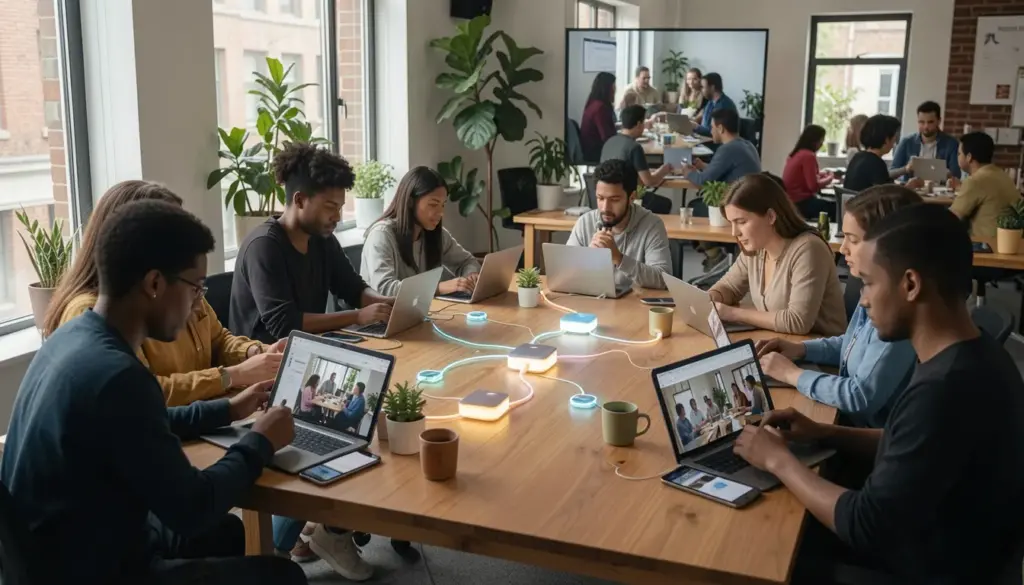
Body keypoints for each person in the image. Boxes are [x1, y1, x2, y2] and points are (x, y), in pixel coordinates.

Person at [0, 199, 305, 585]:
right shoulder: (119, 376)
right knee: (284, 576)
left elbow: (142, 423)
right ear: (155, 284)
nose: (198, 303)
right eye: (195, 288)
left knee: (227, 532)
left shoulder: (71, 338)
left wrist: (229, 410)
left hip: (56, 553)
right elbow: (194, 507)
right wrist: (261, 441)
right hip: (95, 572)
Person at [733, 203, 1024, 584]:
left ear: (911, 285)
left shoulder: (943, 390)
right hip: (952, 546)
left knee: (757, 547)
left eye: (869, 284)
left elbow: (865, 524)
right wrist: (826, 432)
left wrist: (779, 461)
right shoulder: (976, 353)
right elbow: (911, 442)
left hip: (925, 568)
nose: (864, 299)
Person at [45, 180, 286, 407]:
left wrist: (256, 353)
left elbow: (218, 340)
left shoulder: (183, 287)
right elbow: (144, 393)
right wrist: (231, 376)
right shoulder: (102, 314)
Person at [755, 185, 920, 428]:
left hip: (865, 436)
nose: (842, 249)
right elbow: (852, 344)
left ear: (887, 245)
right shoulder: (873, 289)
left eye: (852, 239)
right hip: (847, 422)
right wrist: (801, 349)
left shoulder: (896, 311)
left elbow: (860, 397)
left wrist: (792, 374)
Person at [230, 142, 394, 344]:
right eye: (330, 207)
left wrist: (386, 304)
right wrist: (357, 316)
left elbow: (353, 288)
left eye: (340, 207)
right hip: (266, 356)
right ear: (299, 200)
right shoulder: (263, 246)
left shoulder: (322, 239)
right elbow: (283, 324)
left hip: (307, 348)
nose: (337, 216)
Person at [709, 174, 847, 336]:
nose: (734, 232)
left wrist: (732, 314)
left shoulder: (808, 249)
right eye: (731, 223)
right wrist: (710, 299)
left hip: (818, 347)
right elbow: (729, 287)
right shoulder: (757, 247)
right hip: (779, 341)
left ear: (771, 216)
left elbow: (798, 322)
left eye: (741, 222)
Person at [361, 166, 480, 297]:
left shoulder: (436, 234)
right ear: (410, 202)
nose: (441, 213)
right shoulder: (381, 235)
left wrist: (471, 275)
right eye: (433, 204)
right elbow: (384, 288)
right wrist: (437, 288)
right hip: (387, 311)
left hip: (423, 309)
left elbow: (467, 262)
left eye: (443, 204)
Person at [566, 159, 671, 290]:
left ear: (632, 197)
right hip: (593, 300)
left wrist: (619, 258)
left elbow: (663, 279)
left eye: (614, 200)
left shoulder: (652, 225)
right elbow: (565, 273)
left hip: (634, 302)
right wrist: (588, 258)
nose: (605, 208)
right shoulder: (585, 223)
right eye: (600, 198)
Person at [950, 131, 1022, 238]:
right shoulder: (1002, 175)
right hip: (1009, 242)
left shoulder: (975, 181)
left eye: (959, 154)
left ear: (969, 157)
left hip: (985, 244)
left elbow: (952, 218)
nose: (958, 157)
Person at [680, 108, 761, 187]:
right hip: (749, 194)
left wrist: (688, 173)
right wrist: (703, 165)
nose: (711, 131)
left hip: (736, 195)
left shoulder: (728, 149)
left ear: (720, 129)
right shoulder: (748, 145)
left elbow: (702, 181)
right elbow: (724, 169)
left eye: (712, 127)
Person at [844, 115, 923, 192]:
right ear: (886, 140)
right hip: (867, 201)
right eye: (894, 137)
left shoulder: (857, 157)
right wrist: (909, 187)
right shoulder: (876, 163)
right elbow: (889, 196)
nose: (894, 143)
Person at [600, 104, 673, 188]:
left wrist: (648, 172)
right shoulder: (634, 147)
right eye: (643, 122)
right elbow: (649, 182)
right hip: (625, 193)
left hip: (606, 192)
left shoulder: (609, 141)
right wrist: (664, 170)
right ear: (638, 124)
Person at [891, 101, 962, 181]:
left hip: (940, 188)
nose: (926, 126)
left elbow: (957, 175)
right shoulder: (906, 142)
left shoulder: (951, 143)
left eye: (930, 122)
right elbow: (890, 173)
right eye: (921, 122)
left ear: (939, 121)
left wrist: (945, 173)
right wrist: (905, 169)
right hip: (911, 187)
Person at [782, 124, 836, 219]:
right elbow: (813, 186)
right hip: (801, 203)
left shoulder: (797, 154)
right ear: (814, 141)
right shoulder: (808, 156)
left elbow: (805, 175)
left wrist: (822, 175)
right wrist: (830, 178)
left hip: (791, 202)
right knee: (836, 207)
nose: (821, 144)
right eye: (821, 140)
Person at [580, 72, 617, 162]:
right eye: (613, 87)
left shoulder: (594, 103)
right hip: (596, 153)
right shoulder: (600, 108)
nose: (615, 90)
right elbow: (607, 138)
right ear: (607, 88)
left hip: (592, 150)